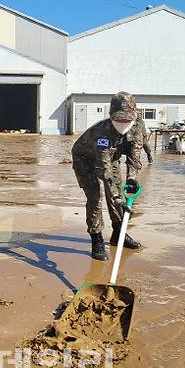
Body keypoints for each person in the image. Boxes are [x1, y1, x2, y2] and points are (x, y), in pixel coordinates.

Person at [71, 92, 149, 261]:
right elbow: (104, 171)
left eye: (127, 120)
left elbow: (134, 155)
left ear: (135, 116)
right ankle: (96, 238)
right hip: (85, 159)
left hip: (111, 158)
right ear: (111, 116)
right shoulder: (102, 134)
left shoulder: (138, 126)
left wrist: (132, 178)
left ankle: (118, 234)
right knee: (96, 197)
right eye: (119, 120)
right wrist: (116, 197)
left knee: (118, 195)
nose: (123, 124)